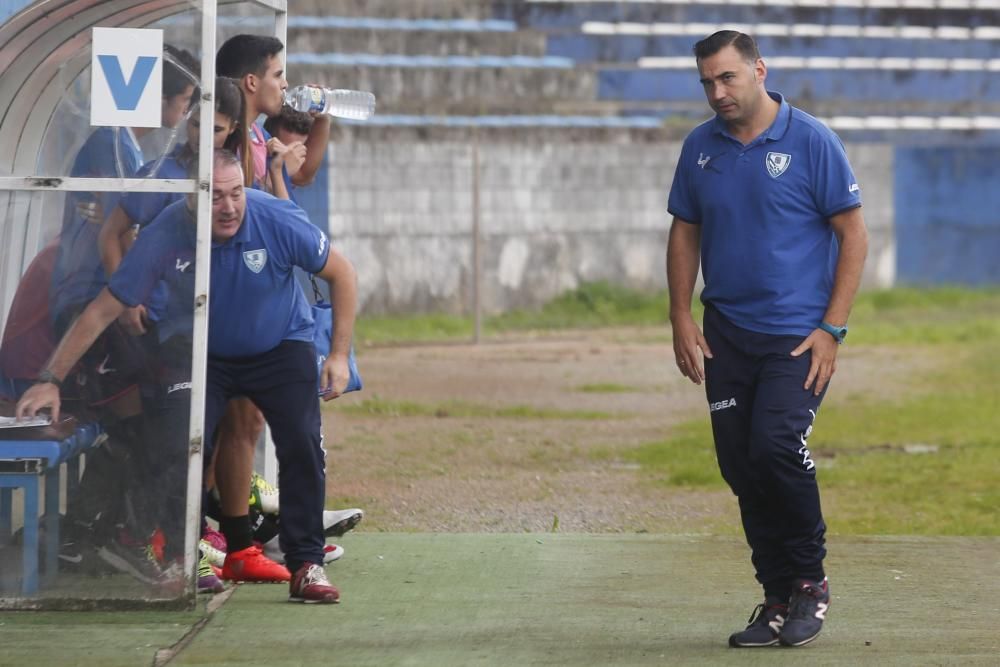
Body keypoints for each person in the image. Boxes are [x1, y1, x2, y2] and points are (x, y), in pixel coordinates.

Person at [18, 149, 358, 604]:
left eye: (236, 193)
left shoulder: (276, 219)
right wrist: (50, 379)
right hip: (203, 352)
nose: (229, 206)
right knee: (179, 438)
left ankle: (306, 564)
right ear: (194, 197)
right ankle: (184, 556)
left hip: (280, 345)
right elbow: (104, 308)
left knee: (301, 438)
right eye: (215, 196)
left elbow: (343, 273)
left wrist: (337, 354)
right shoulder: (167, 231)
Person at [665, 31, 868, 648]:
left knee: (776, 444)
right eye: (706, 81)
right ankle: (776, 597)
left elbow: (853, 236)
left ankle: (811, 582)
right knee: (741, 464)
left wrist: (831, 329)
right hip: (727, 335)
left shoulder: (811, 140)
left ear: (758, 70)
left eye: (726, 78)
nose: (716, 92)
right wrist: (679, 316)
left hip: (796, 339)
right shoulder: (700, 147)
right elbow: (684, 234)